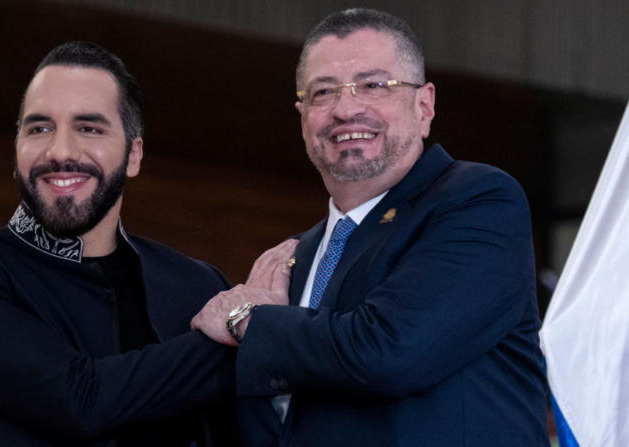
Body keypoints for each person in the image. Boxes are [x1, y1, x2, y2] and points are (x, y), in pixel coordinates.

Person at [191, 8, 550, 447]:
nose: (346, 108)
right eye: (323, 92)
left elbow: (388, 351)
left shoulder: (478, 201)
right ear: (303, 117)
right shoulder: (293, 259)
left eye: (374, 85)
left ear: (424, 105)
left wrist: (246, 320)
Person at [0, 41, 294, 446]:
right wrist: (241, 336)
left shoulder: (195, 285)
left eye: (89, 128)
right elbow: (79, 401)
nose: (60, 151)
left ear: (133, 154)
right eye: (39, 128)